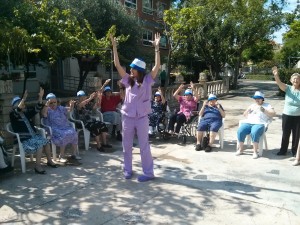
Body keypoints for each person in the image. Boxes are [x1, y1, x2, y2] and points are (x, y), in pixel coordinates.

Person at [110, 32, 161, 182]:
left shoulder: (147, 80)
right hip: (127, 117)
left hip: (142, 118)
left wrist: (157, 48)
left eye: (133, 68)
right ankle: (127, 170)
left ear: (139, 70)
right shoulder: (127, 80)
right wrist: (114, 46)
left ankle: (148, 173)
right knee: (127, 146)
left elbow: (157, 66)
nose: (130, 70)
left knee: (144, 147)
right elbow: (117, 65)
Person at [9, 89, 57, 174]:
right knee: (40, 145)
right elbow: (18, 111)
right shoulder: (13, 115)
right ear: (15, 106)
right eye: (21, 104)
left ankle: (49, 161)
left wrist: (40, 97)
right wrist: (23, 99)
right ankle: (37, 166)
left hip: (33, 137)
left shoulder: (26, 113)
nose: (24, 105)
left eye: (23, 103)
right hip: (24, 140)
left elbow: (37, 108)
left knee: (46, 142)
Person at [235, 91, 276, 158]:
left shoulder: (267, 105)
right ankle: (240, 149)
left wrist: (264, 111)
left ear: (262, 99)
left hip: (260, 123)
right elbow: (245, 114)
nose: (257, 100)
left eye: (259, 98)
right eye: (255, 98)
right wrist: (247, 112)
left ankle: (255, 152)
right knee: (240, 130)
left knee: (254, 132)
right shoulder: (252, 105)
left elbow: (273, 113)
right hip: (249, 122)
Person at [41, 93, 80, 163]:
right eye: (51, 103)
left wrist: (71, 106)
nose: (53, 104)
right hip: (54, 129)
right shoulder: (47, 110)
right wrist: (47, 104)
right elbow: (44, 113)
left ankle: (74, 154)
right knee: (63, 135)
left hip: (64, 127)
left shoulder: (60, 108)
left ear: (57, 102)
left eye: (54, 102)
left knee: (74, 133)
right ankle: (61, 156)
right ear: (48, 103)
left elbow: (69, 110)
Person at [272, 67, 300, 157]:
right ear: (291, 80)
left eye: (298, 78)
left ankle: (295, 151)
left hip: (298, 116)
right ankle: (283, 150)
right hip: (287, 115)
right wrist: (276, 75)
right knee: (285, 133)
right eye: (294, 78)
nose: (296, 80)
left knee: (296, 135)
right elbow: (279, 83)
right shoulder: (287, 88)